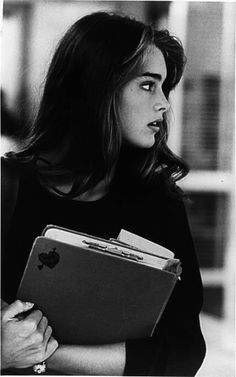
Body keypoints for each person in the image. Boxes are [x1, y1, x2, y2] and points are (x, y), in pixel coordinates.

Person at [1, 11, 206, 375]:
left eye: (164, 87)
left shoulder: (160, 201)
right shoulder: (6, 186)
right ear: (98, 86)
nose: (164, 104)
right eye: (147, 85)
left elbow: (185, 350)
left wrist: (35, 353)